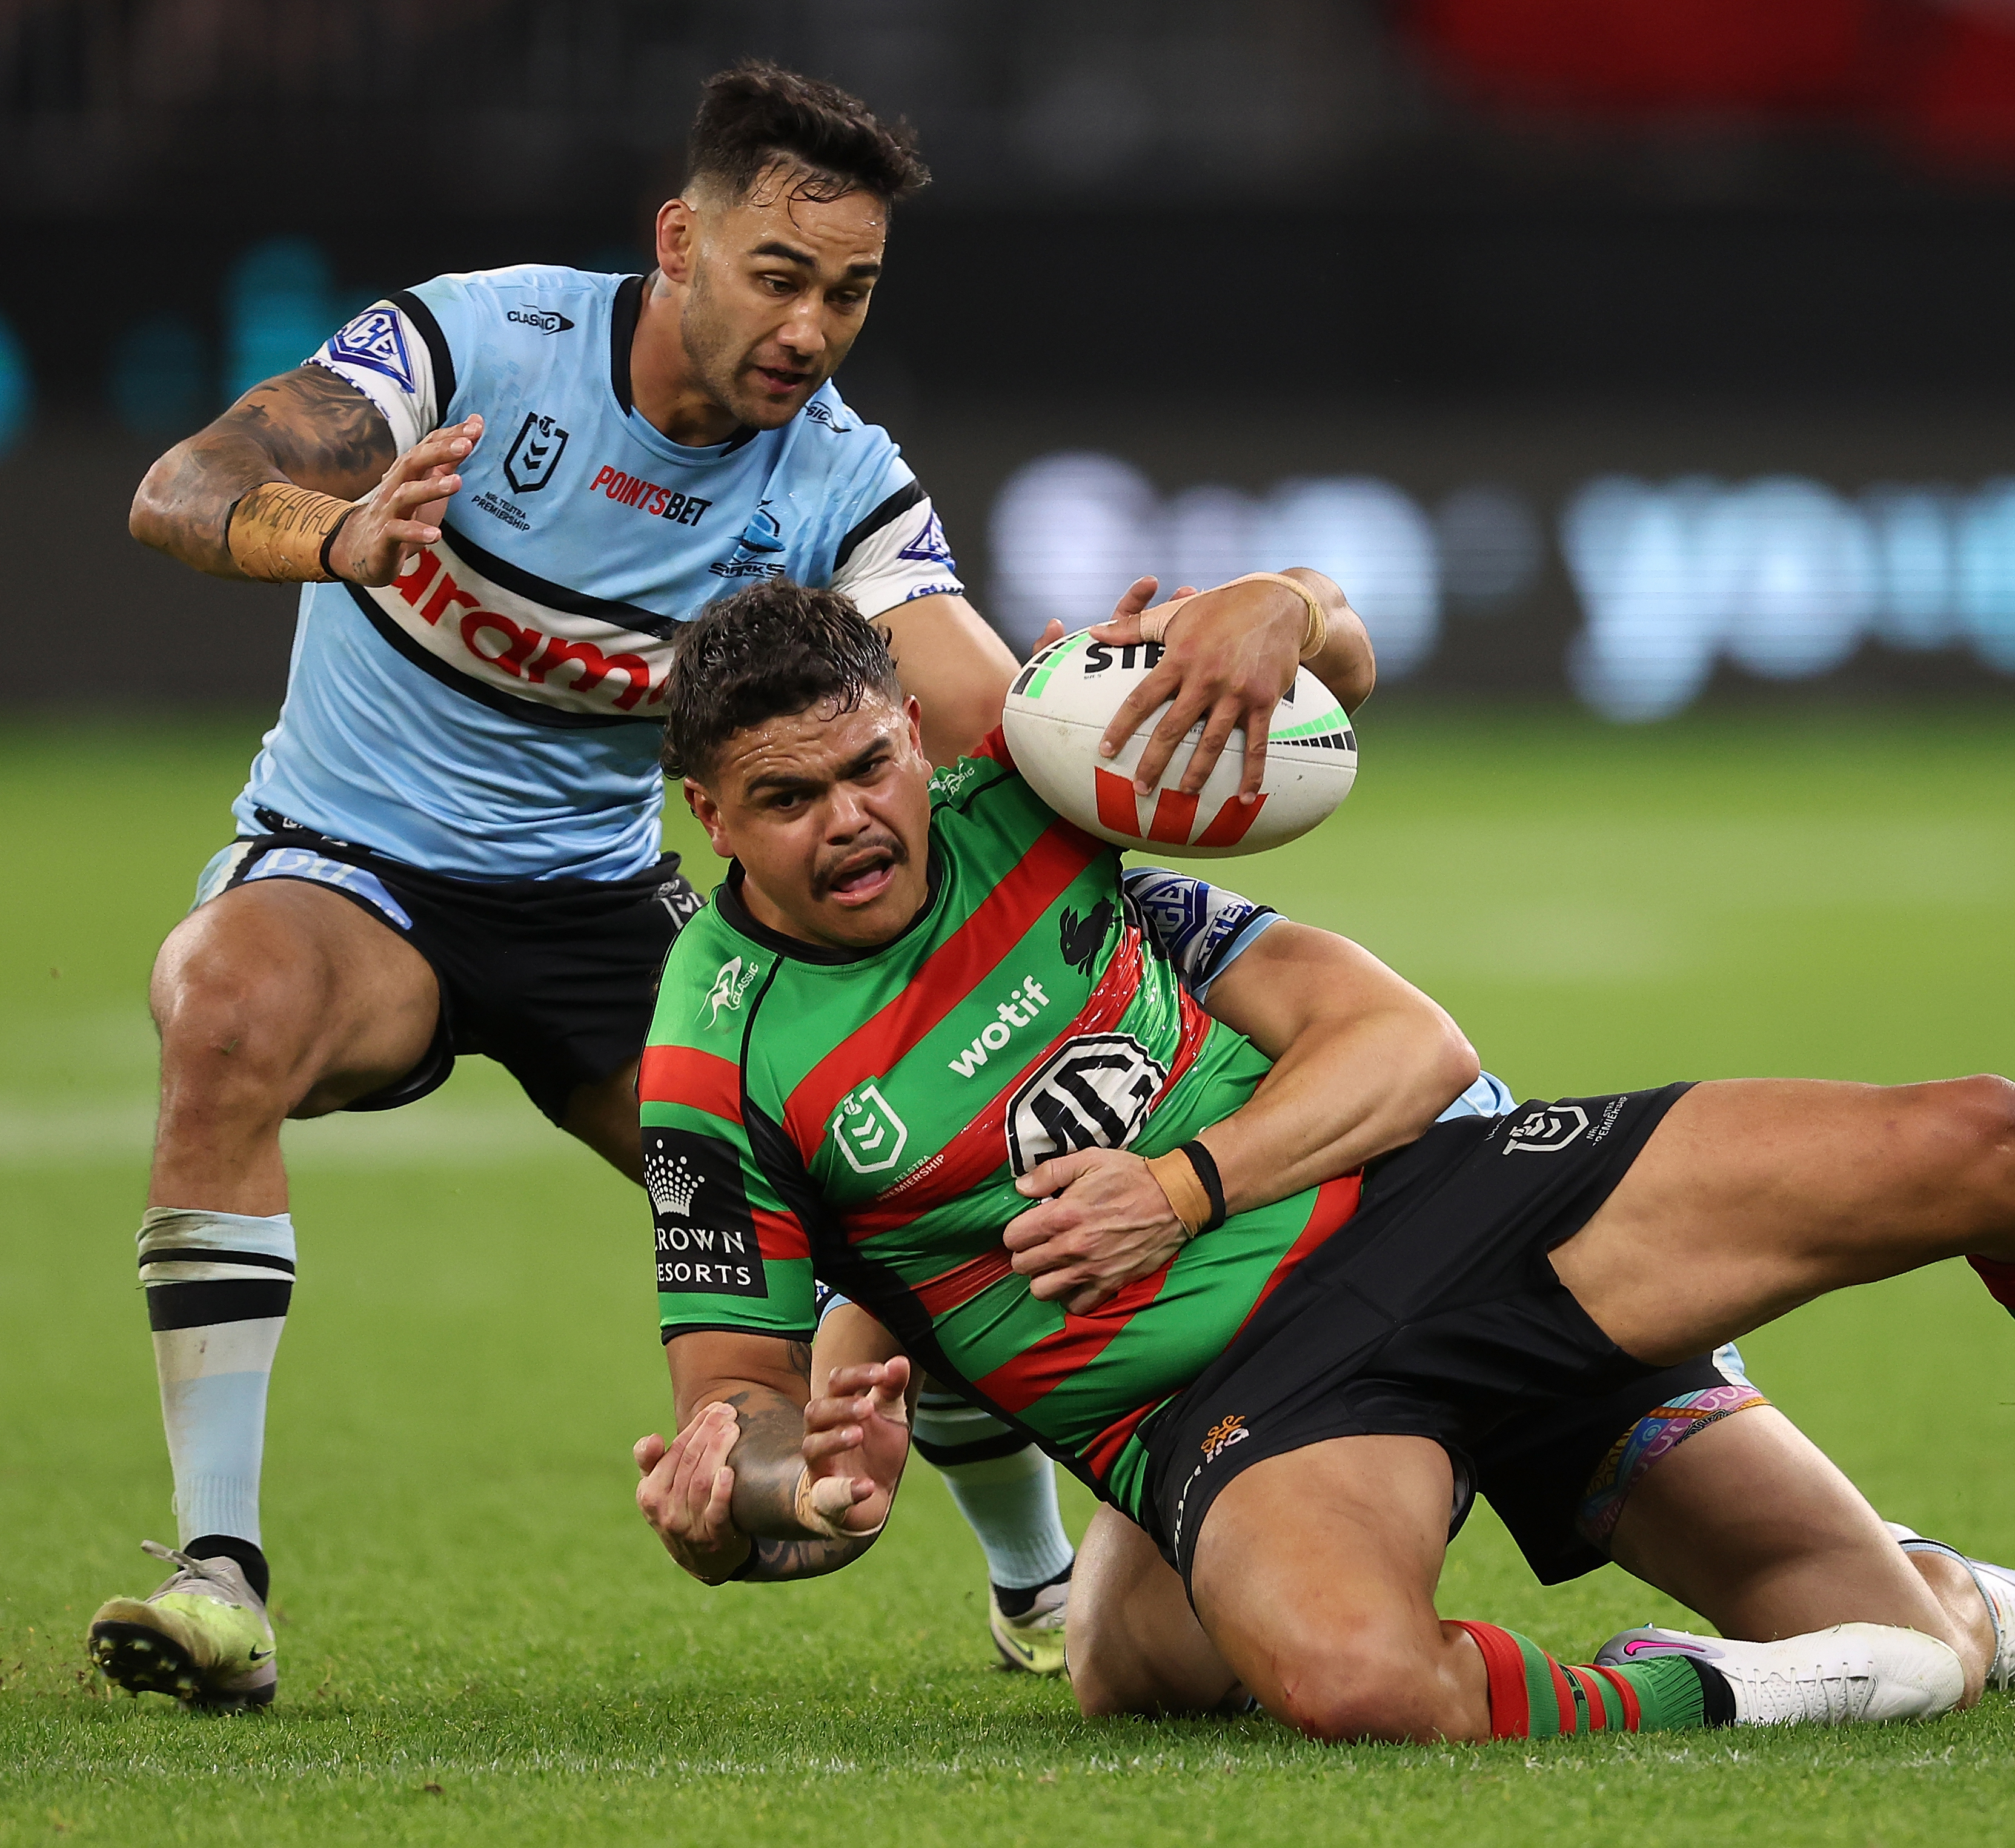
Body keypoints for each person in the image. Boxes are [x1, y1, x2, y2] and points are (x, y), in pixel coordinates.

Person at [628, 583, 2015, 1741]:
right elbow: (742, 1447)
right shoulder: (712, 1066)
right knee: (1342, 1676)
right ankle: (1799, 1670)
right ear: (711, 814)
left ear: (917, 731)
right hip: (1235, 1405)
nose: (850, 821)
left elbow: (1398, 1017)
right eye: (787, 800)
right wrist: (784, 1501)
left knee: (1983, 1142)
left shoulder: (1037, 791)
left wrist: (1291, 605)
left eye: (870, 764)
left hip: (1450, 1207)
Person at [87, 61, 1377, 1710]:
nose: (809, 329)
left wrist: (1233, 654)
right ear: (678, 242)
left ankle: (1034, 1579)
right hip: (354, 873)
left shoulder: (836, 479)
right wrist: (333, 538)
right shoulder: (473, 345)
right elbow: (178, 488)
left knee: (889, 1187)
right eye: (778, 277)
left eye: (849, 293)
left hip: (606, 911)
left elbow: (985, 730)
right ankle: (217, 1578)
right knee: (228, 1006)